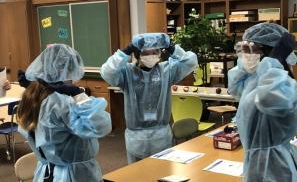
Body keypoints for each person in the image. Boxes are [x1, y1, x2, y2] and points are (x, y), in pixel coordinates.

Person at [228, 22, 297, 182]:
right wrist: (247, 67)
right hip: (257, 164)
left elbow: (270, 99)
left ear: (267, 51)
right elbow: (235, 88)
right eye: (244, 49)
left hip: (275, 168)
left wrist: (274, 61)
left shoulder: (280, 81)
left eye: (250, 49)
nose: (245, 55)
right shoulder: (257, 79)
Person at [17, 44, 112, 182]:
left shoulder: (34, 96)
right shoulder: (63, 102)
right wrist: (79, 96)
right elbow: (101, 126)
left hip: (47, 171)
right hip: (73, 175)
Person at [100, 33, 198, 163]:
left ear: (159, 53)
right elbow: (107, 71)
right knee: (137, 176)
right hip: (136, 138)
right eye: (146, 53)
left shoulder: (167, 70)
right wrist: (126, 51)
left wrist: (172, 47)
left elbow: (191, 62)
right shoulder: (127, 73)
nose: (151, 55)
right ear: (137, 54)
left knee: (163, 174)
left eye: (155, 52)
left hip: (161, 136)